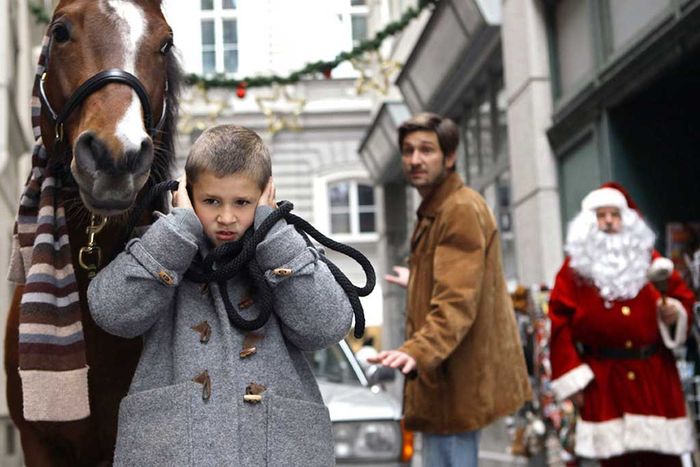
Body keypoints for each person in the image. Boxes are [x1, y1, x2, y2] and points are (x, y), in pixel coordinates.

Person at [87, 124, 353, 466]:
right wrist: (176, 230)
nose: (226, 218)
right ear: (186, 193)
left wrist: (275, 237)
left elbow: (327, 327)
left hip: (276, 451)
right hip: (174, 450)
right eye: (211, 201)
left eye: (242, 202)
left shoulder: (284, 249)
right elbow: (110, 312)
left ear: (265, 196)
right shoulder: (164, 246)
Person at [368, 112, 531, 466]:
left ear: (450, 156)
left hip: (455, 385)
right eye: (408, 150)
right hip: (447, 383)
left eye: (426, 150)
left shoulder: (458, 209)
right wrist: (419, 282)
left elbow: (457, 301)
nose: (415, 160)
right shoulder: (441, 208)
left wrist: (417, 350)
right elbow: (462, 279)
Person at [549, 183, 695, 467]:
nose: (607, 221)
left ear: (626, 220)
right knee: (616, 461)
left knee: (664, 459)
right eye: (600, 215)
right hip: (604, 381)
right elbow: (559, 325)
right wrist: (573, 380)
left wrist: (674, 313)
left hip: (654, 376)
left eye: (614, 214)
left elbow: (682, 298)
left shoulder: (651, 261)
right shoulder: (573, 272)